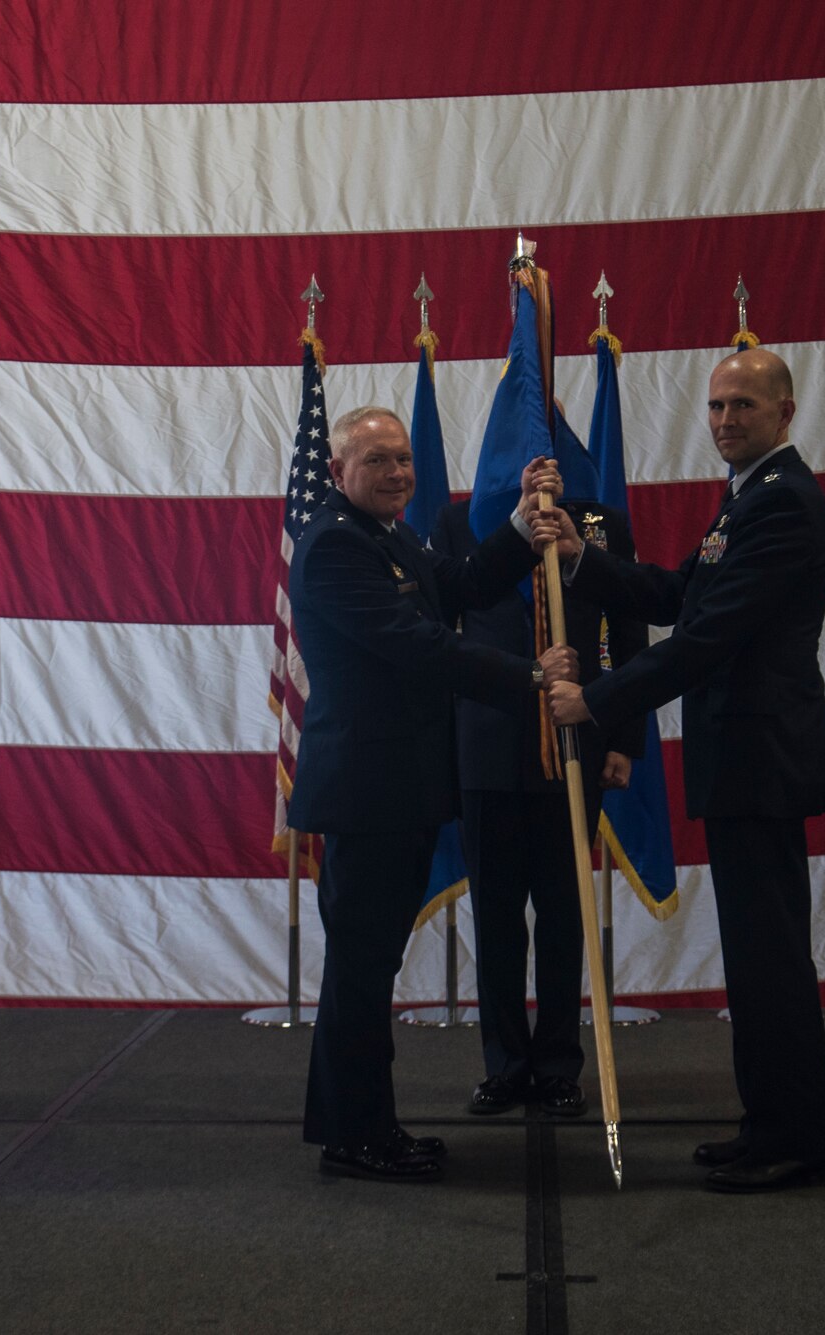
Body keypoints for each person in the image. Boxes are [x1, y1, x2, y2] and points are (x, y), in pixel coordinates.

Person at [547, 347, 825, 1193]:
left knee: (773, 956)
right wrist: (581, 558)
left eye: (743, 406)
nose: (723, 420)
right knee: (752, 956)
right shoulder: (745, 498)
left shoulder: (783, 504)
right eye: (715, 405)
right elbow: (683, 594)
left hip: (765, 757)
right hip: (741, 755)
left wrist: (597, 698)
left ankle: (799, 1139)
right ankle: (769, 1124)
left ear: (785, 412)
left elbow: (710, 640)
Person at [288, 405, 579, 1183]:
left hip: (399, 789)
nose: (398, 473)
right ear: (338, 469)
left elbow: (456, 585)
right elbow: (415, 645)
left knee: (370, 965)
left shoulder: (390, 536)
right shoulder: (334, 547)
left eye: (404, 459)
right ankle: (356, 1137)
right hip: (365, 793)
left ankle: (361, 1123)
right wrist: (526, 677)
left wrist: (519, 526)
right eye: (378, 460)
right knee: (360, 970)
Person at [428, 476, 646, 1120]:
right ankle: (504, 1065)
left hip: (577, 738)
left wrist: (623, 737)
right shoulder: (459, 523)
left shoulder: (601, 523)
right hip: (487, 743)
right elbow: (447, 625)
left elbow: (626, 630)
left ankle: (556, 1065)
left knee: (561, 916)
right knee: (494, 918)